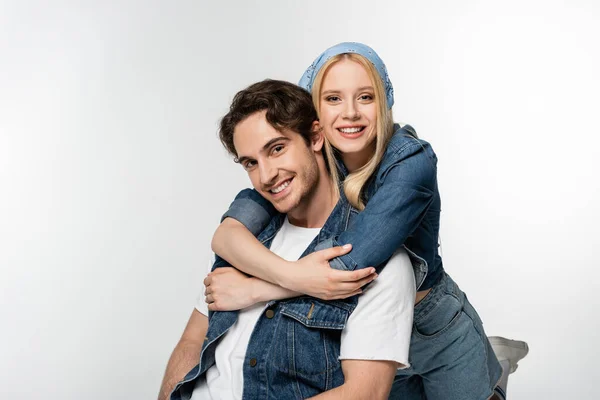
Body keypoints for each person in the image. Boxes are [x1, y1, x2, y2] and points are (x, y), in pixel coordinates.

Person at [210, 42, 528, 399]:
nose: (350, 114)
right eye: (333, 99)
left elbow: (353, 262)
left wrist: (257, 289)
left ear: (384, 102)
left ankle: (496, 368)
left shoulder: (412, 160)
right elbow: (228, 233)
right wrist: (285, 273)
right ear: (315, 116)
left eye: (365, 97)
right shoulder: (306, 160)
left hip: (434, 328)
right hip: (374, 327)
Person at [158, 79, 417, 400]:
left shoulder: (375, 260)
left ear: (316, 137)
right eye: (251, 163)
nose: (266, 176)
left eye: (277, 149)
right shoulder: (247, 238)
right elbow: (192, 341)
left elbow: (364, 393)